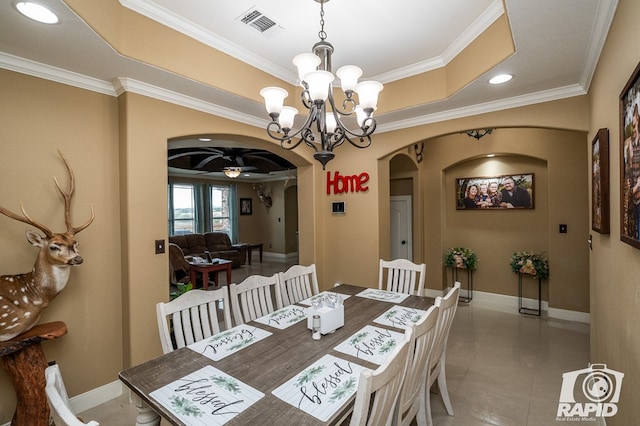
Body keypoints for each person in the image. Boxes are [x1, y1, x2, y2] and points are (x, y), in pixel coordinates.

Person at [624, 103, 640, 239]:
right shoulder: (632, 146)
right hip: (635, 199)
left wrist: (636, 187)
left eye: (635, 125)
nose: (634, 130)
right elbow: (629, 171)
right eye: (632, 126)